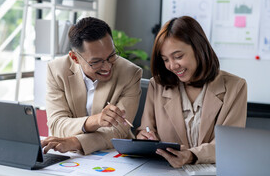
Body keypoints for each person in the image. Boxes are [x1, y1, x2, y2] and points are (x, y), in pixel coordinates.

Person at [136, 16, 247, 168]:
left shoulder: (235, 87)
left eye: (178, 56)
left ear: (198, 48)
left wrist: (191, 155)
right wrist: (144, 137)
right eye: (165, 59)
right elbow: (146, 129)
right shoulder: (157, 85)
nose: (172, 66)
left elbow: (230, 144)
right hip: (166, 175)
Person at [42, 17, 142, 155]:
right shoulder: (57, 70)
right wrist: (95, 120)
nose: (107, 67)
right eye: (96, 62)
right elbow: (57, 125)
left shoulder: (130, 73)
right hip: (68, 155)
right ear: (75, 58)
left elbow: (118, 130)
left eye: (111, 55)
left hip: (114, 154)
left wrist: (75, 142)